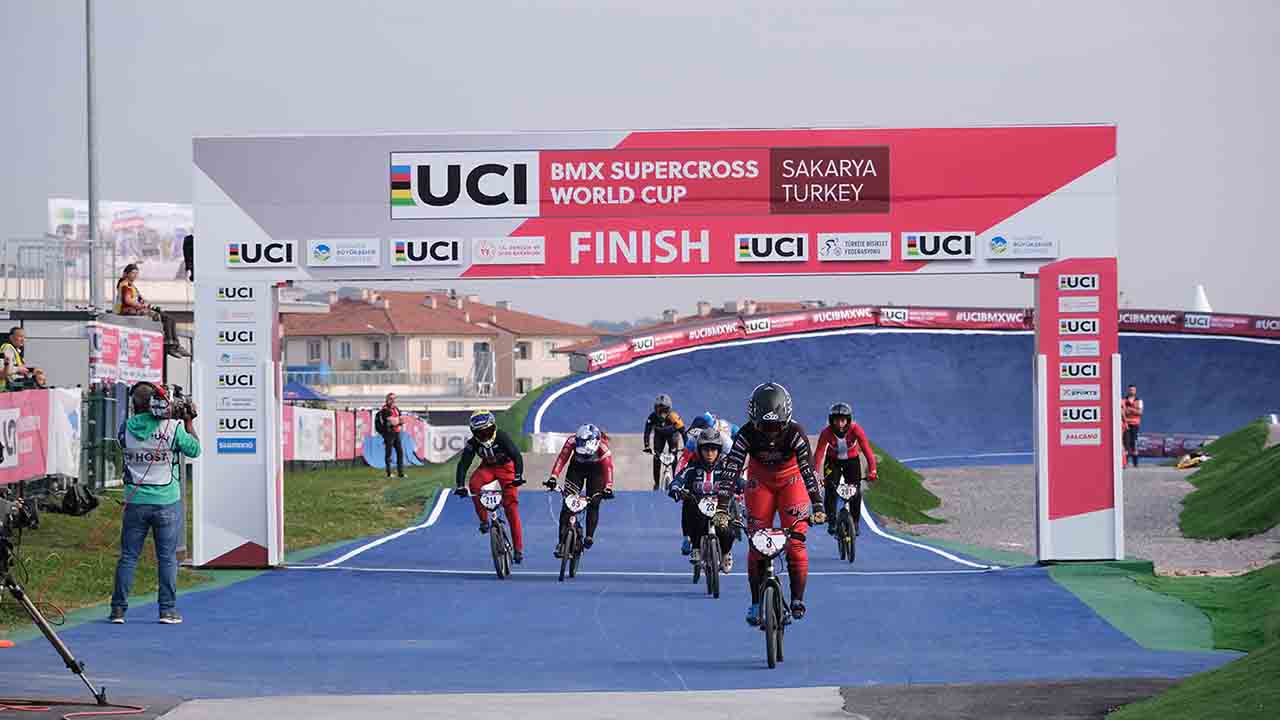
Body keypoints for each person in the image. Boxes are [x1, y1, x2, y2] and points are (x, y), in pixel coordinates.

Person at [720, 382, 824, 625]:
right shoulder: (746, 433)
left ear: (786, 420)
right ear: (754, 421)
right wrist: (722, 507)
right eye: (764, 427)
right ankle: (756, 603)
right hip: (760, 481)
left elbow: (808, 470)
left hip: (792, 480)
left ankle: (797, 599)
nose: (770, 433)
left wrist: (818, 504)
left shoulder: (796, 433)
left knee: (796, 543)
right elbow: (732, 468)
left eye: (776, 426)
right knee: (757, 544)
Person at [109, 382, 200, 624]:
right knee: (167, 558)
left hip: (135, 501)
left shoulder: (125, 428)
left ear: (134, 404)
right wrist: (188, 422)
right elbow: (195, 450)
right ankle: (167, 611)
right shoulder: (172, 427)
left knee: (128, 557)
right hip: (166, 501)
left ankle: (118, 610)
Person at [454, 411, 527, 563]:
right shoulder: (473, 443)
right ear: (474, 433)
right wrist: (460, 485)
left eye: (488, 431)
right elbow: (463, 464)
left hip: (506, 468)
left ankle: (518, 549)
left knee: (511, 507)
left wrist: (518, 476)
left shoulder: (501, 436)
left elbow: (516, 456)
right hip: (487, 467)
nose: (485, 436)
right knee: (474, 484)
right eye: (480, 433)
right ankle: (483, 520)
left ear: (494, 427)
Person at [669, 428, 741, 574]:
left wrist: (747, 486)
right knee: (688, 502)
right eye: (706, 450)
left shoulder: (725, 468)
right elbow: (678, 479)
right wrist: (675, 488)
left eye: (713, 450)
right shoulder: (692, 468)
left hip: (720, 508)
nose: (709, 454)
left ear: (719, 451)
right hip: (698, 509)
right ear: (699, 451)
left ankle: (726, 552)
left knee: (728, 530)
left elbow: (738, 481)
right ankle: (695, 547)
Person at [544, 424, 615, 556]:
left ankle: (589, 536)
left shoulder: (603, 448)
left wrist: (608, 488)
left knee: (594, 502)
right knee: (567, 504)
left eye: (587, 455)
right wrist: (553, 477)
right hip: (576, 469)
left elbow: (608, 469)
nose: (584, 457)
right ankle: (561, 543)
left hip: (596, 472)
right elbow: (562, 458)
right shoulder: (572, 441)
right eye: (581, 453)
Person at [815, 402, 877, 536]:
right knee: (830, 489)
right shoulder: (826, 432)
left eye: (842, 420)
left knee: (856, 492)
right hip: (832, 461)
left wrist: (873, 470)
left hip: (852, 461)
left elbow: (867, 450)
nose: (839, 424)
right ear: (831, 421)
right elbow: (819, 453)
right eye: (836, 420)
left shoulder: (856, 430)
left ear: (848, 420)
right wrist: (816, 474)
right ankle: (831, 521)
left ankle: (855, 522)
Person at [115, 264, 189, 358]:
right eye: (133, 273)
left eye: (136, 273)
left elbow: (140, 299)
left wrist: (149, 305)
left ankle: (175, 344)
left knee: (170, 318)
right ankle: (169, 344)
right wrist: (142, 306)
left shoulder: (132, 286)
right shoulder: (125, 285)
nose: (135, 275)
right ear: (126, 273)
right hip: (127, 311)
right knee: (160, 317)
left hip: (135, 309)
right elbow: (128, 300)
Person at [642, 394, 687, 490]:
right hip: (659, 436)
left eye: (665, 411)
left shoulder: (674, 417)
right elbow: (647, 432)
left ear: (669, 410)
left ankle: (676, 482)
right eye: (659, 410)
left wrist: (686, 446)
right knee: (656, 457)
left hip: (672, 436)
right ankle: (656, 484)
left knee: (674, 458)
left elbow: (683, 432)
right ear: (655, 409)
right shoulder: (652, 417)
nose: (662, 413)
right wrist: (647, 446)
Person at [375, 393, 405, 478]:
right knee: (388, 453)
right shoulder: (385, 409)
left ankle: (400, 473)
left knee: (400, 452)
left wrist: (397, 420)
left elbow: (402, 420)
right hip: (389, 433)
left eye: (394, 398)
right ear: (387, 400)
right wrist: (397, 421)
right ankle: (389, 473)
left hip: (396, 433)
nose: (393, 400)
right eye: (391, 399)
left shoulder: (396, 409)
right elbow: (393, 422)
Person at [1122, 384, 1144, 467]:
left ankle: (1135, 463)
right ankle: (1126, 463)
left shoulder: (1139, 401)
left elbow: (1140, 412)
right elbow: (1122, 411)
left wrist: (1130, 409)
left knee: (1134, 442)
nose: (1132, 391)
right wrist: (1130, 412)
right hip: (1125, 424)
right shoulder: (1123, 400)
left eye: (1133, 390)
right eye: (1130, 390)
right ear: (1128, 390)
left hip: (1135, 424)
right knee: (1126, 443)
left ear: (1135, 391)